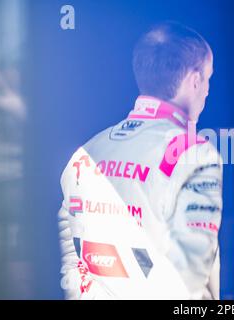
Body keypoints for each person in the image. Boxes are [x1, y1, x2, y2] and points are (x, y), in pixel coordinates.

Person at [58, 21, 222, 300]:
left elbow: (71, 245)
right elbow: (191, 280)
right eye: (207, 78)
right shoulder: (194, 153)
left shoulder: (85, 152)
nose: (207, 90)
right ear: (194, 81)